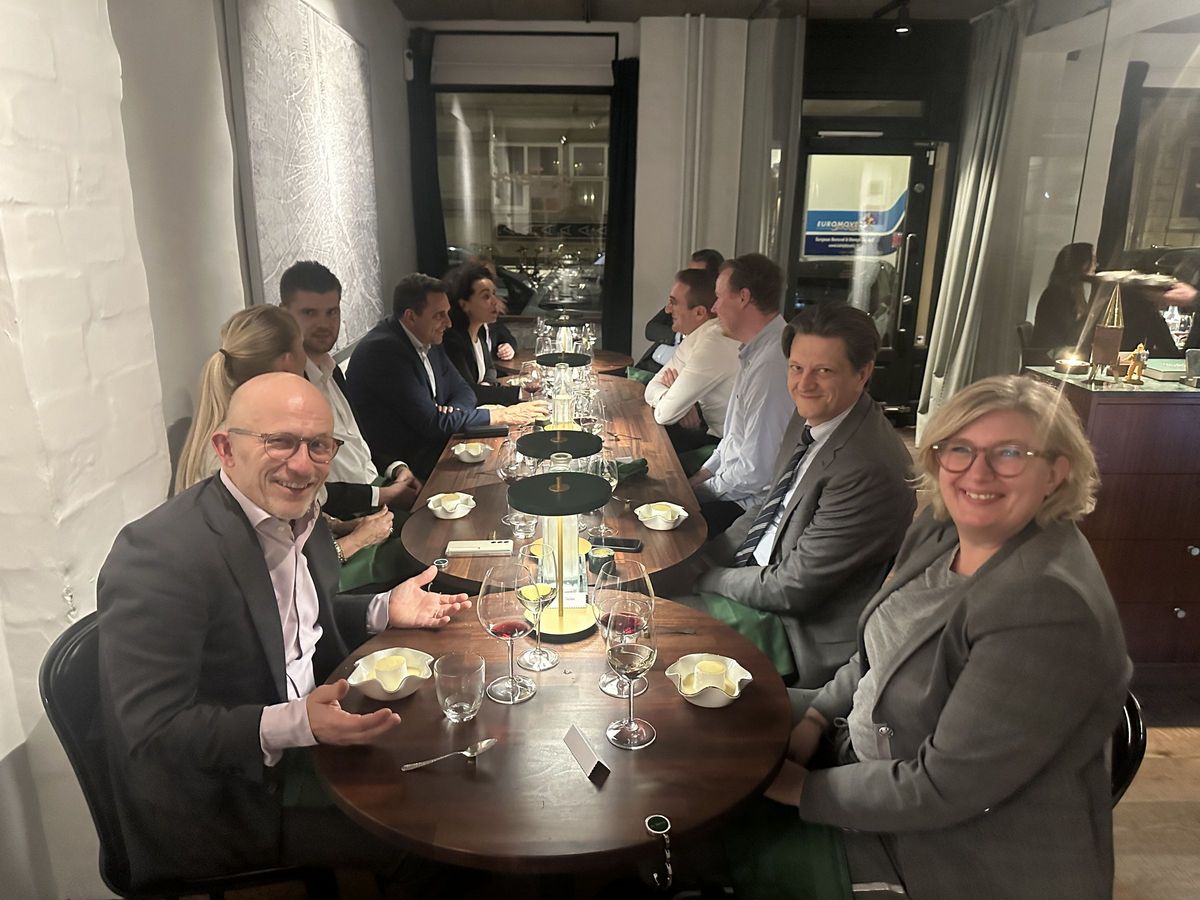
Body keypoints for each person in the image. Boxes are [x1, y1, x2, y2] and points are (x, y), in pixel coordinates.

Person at [755, 374, 1131, 899]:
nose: (977, 472)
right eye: (960, 449)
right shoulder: (943, 527)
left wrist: (796, 788)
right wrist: (817, 716)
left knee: (712, 848)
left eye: (1009, 453)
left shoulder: (1044, 604)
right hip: (862, 749)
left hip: (952, 850)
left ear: (1056, 472)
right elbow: (878, 655)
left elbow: (941, 788)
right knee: (721, 716)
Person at [98, 373, 472, 888]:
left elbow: (296, 625)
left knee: (456, 763)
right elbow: (153, 731)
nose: (302, 465)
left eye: (319, 445)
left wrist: (384, 608)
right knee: (432, 827)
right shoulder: (160, 556)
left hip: (312, 733)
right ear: (225, 449)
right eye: (280, 442)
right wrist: (299, 723)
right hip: (232, 795)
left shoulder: (302, 515)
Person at [693, 304, 914, 686]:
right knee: (645, 581)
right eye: (796, 367)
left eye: (823, 371)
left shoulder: (869, 467)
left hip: (795, 630)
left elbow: (793, 588)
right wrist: (702, 560)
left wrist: (708, 578)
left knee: (654, 624)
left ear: (863, 374)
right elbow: (770, 504)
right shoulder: (812, 414)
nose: (804, 383)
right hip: (757, 578)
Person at [174, 306, 404, 569]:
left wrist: (343, 526)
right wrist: (358, 540)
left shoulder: (242, 424)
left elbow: (300, 521)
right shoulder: (240, 449)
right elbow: (276, 567)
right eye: (282, 444)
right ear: (287, 361)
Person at [345, 274, 546, 480]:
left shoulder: (427, 336)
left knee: (521, 453)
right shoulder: (385, 352)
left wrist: (453, 411)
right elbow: (432, 424)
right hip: (406, 465)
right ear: (411, 316)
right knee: (508, 469)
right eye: (439, 315)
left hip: (438, 443)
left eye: (447, 313)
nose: (448, 323)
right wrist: (500, 415)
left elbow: (464, 391)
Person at [279, 260, 421, 511]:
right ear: (284, 314)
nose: (324, 324)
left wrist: (396, 467)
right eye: (310, 313)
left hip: (377, 487)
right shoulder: (289, 388)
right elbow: (309, 488)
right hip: (349, 513)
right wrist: (382, 496)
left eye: (332, 312)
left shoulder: (333, 370)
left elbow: (358, 440)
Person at [688, 253, 795, 537]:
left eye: (719, 297)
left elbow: (756, 471)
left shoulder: (772, 364)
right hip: (733, 491)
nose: (714, 307)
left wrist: (697, 494)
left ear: (743, 297)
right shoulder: (757, 350)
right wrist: (698, 478)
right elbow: (733, 440)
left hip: (748, 510)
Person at [643, 267, 739, 460]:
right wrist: (673, 398)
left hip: (725, 447)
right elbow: (652, 388)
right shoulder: (696, 336)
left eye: (673, 303)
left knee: (646, 449)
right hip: (705, 431)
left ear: (699, 313)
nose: (667, 310)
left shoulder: (714, 341)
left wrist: (676, 402)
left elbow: (665, 414)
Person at [634, 249, 725, 375]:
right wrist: (679, 335)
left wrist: (684, 335)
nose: (689, 278)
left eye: (695, 275)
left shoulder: (715, 315)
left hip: (666, 375)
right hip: (646, 366)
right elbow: (650, 329)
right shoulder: (681, 300)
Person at [442, 264, 523, 405]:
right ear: (464, 304)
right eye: (486, 296)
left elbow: (490, 369)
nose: (495, 302)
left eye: (494, 294)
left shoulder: (479, 332)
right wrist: (521, 393)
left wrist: (487, 385)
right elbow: (467, 391)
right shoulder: (452, 341)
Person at [1031, 242, 1094, 353]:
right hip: (1049, 354)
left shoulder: (1071, 293)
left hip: (1059, 352)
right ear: (1081, 265)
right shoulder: (1056, 294)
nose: (1095, 266)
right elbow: (1070, 337)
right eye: (1092, 262)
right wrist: (1093, 311)